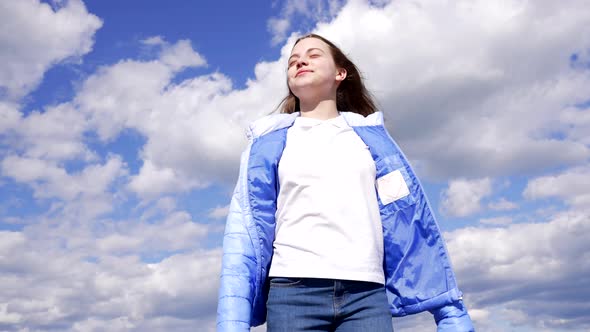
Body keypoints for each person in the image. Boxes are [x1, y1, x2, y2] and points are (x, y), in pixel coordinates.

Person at [217, 34, 474, 332]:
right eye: (292, 61)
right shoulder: (267, 145)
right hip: (293, 292)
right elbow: (243, 235)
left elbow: (409, 225)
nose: (300, 61)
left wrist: (449, 311)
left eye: (313, 55)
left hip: (366, 295)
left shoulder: (375, 142)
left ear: (340, 73)